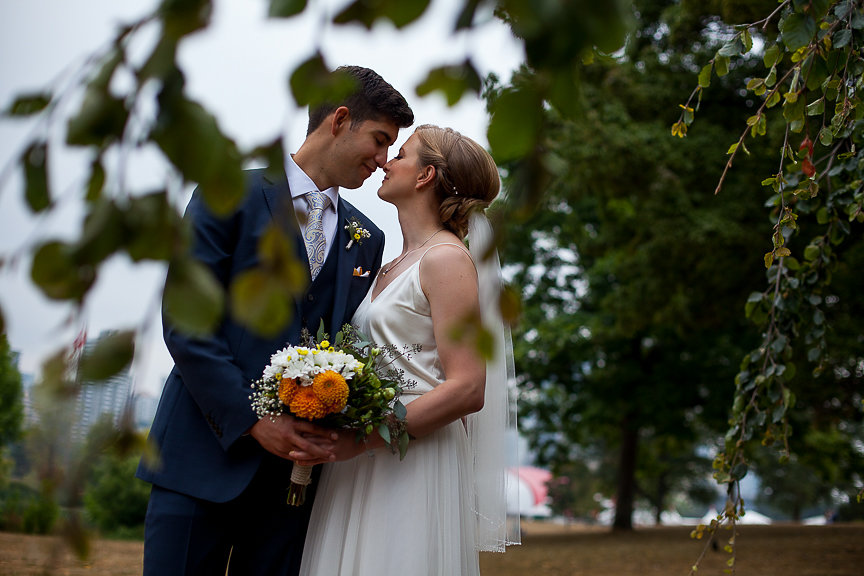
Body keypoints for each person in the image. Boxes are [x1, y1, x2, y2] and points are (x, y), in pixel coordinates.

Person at [135, 65, 414, 576]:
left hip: (294, 488)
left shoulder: (367, 238)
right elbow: (186, 323)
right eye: (379, 141)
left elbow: (343, 341)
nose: (382, 160)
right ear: (340, 119)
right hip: (199, 460)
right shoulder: (228, 194)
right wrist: (252, 421)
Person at [299, 125, 521, 575]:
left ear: (425, 176)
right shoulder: (391, 263)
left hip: (410, 460)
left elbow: (467, 387)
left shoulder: (446, 260)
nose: (386, 162)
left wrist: (361, 439)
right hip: (361, 460)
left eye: (400, 154)